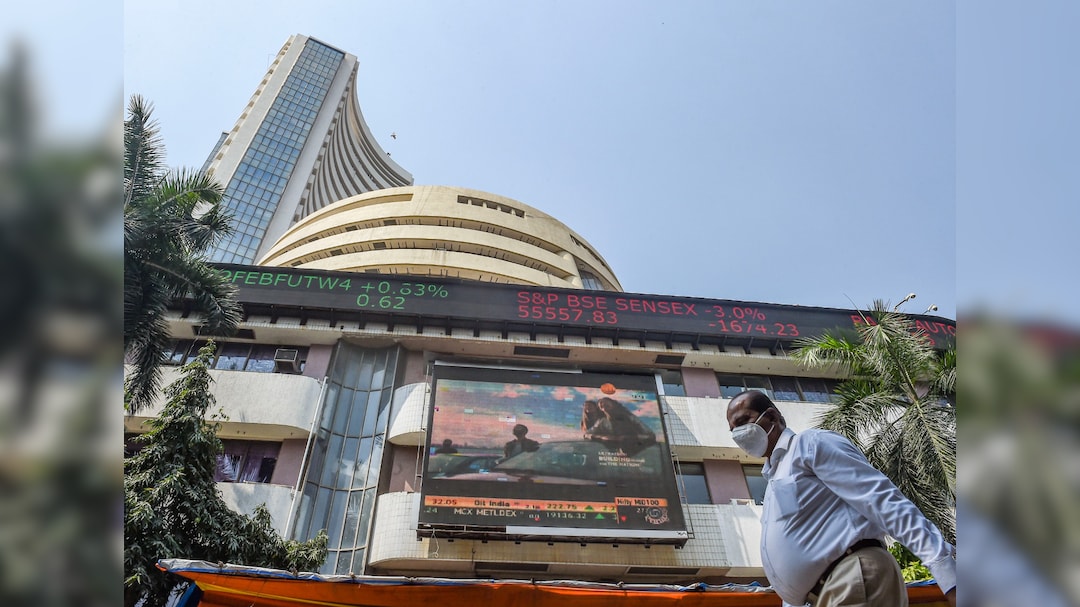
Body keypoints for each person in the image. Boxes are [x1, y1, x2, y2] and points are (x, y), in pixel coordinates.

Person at [726, 390, 956, 607]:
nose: (739, 433)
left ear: (771, 416)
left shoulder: (809, 444)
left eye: (743, 421)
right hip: (826, 595)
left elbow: (879, 499)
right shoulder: (773, 481)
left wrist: (946, 571)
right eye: (733, 429)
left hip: (852, 578)